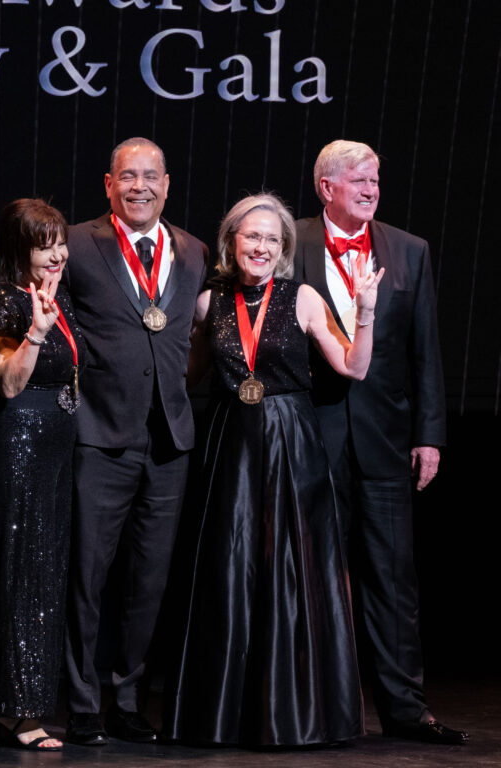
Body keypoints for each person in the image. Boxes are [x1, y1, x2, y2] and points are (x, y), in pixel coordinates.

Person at [167, 193, 381, 746]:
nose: (260, 246)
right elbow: (184, 378)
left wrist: (368, 308)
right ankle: (222, 715)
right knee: (230, 573)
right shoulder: (209, 302)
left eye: (271, 238)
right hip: (231, 445)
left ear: (282, 248)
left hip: (291, 443)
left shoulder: (303, 297)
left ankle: (297, 713)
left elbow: (353, 367)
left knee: (291, 570)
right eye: (251, 236)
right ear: (232, 242)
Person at [293, 140, 468, 745]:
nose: (370, 190)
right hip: (312, 436)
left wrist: (430, 435)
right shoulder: (291, 242)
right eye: (358, 181)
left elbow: (425, 350)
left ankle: (406, 709)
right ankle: (315, 706)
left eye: (374, 181)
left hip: (387, 441)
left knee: (393, 578)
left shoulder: (409, 250)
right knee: (313, 575)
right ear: (326, 188)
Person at [63, 138, 208, 745]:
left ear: (168, 184)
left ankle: (127, 698)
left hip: (169, 440)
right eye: (128, 177)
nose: (140, 187)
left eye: (151, 177)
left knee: (148, 581)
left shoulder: (196, 251)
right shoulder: (75, 243)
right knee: (87, 578)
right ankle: (80, 702)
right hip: (99, 434)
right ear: (108, 183)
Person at [0, 199, 85, 751]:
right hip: (15, 447)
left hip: (54, 450)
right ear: (18, 250)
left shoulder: (54, 297)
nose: (57, 253)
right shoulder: (3, 302)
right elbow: (8, 383)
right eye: (44, 244)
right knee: (20, 575)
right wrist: (35, 333)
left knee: (43, 572)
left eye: (60, 241)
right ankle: (15, 710)